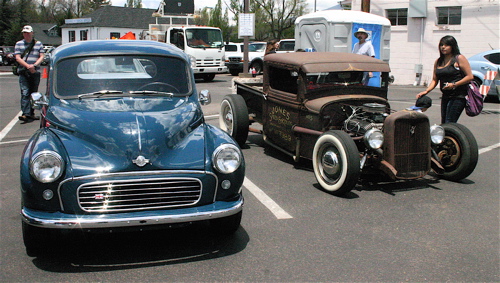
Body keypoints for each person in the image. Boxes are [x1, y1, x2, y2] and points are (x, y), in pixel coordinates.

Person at [416, 35, 473, 124]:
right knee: (444, 122)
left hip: (458, 96)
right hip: (445, 95)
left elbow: (469, 76)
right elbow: (435, 80)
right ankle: (445, 137)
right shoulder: (438, 61)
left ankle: (451, 137)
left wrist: (454, 84)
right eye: (441, 45)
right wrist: (426, 91)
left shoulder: (459, 58)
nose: (443, 47)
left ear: (452, 46)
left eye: (446, 45)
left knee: (449, 122)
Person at [15, 25, 44, 122]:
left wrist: (34, 65)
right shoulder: (19, 44)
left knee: (33, 93)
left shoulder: (38, 44)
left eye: (28, 33)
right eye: (24, 33)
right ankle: (25, 113)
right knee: (25, 92)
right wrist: (28, 66)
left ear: (32, 33)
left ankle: (31, 113)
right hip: (24, 71)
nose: (26, 34)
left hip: (35, 71)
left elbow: (41, 56)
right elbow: (18, 58)